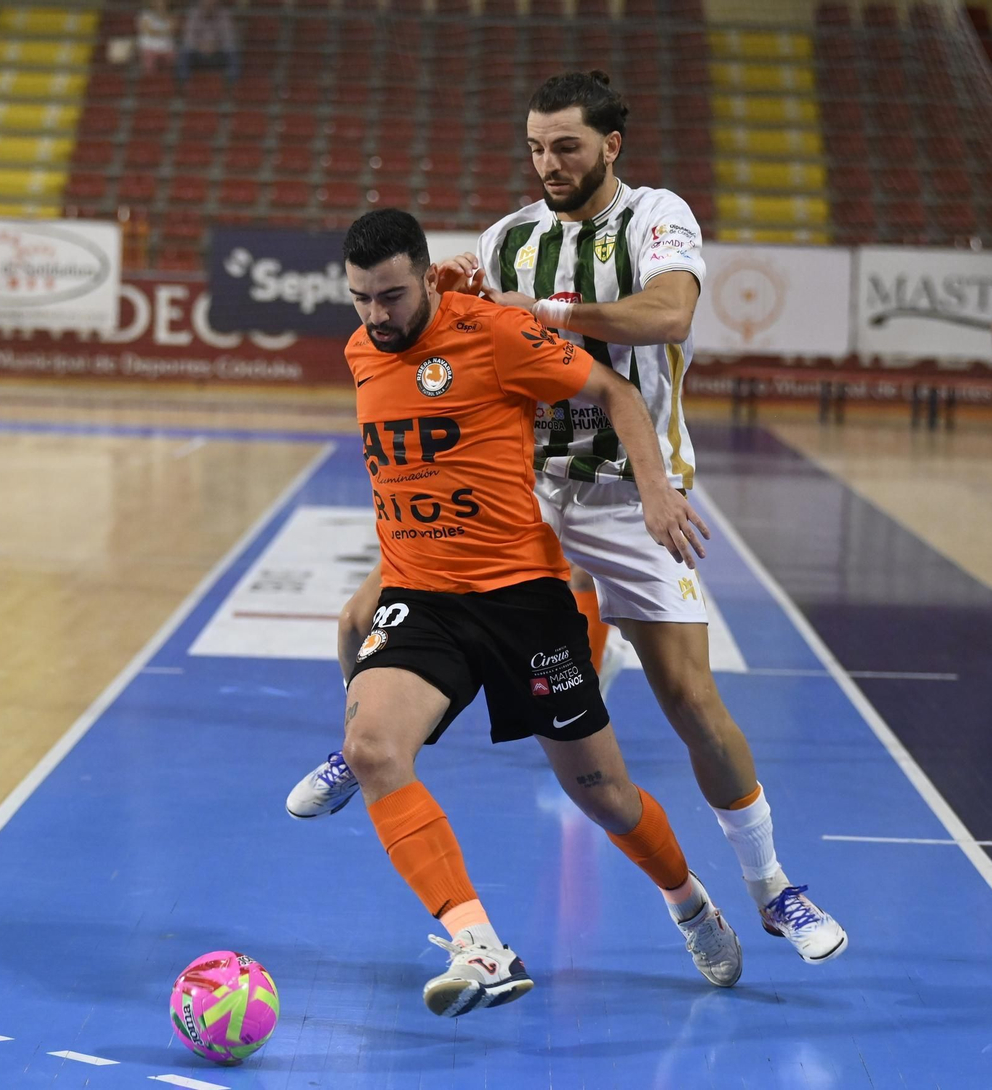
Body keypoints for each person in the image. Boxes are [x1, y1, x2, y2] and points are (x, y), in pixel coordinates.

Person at [288, 71, 848, 967]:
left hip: (631, 494)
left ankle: (773, 887)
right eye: (536, 148)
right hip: (524, 488)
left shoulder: (658, 218)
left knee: (693, 704)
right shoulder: (507, 237)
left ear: (611, 146)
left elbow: (667, 316)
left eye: (567, 148)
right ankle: (365, 752)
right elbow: (447, 312)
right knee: (361, 618)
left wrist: (550, 321)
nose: (548, 164)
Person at [337, 208, 742, 1016]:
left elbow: (616, 390)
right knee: (373, 746)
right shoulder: (359, 350)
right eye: (359, 299)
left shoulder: (494, 333)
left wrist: (657, 489)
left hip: (523, 601)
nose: (376, 317)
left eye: (390, 297)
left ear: (426, 275)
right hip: (425, 599)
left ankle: (689, 899)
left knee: (605, 798)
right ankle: (478, 946)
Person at [176, 0, 240, 89]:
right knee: (184, 51)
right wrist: (200, 46)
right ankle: (184, 86)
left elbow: (229, 38)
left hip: (218, 53)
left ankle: (230, 87)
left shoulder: (224, 14)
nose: (209, 3)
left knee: (232, 51)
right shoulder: (194, 14)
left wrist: (216, 45)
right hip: (198, 53)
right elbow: (188, 37)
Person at [136, 0, 175, 74]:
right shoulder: (145, 15)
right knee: (149, 65)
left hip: (166, 47)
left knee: (173, 60)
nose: (159, 3)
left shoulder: (170, 15)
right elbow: (149, 31)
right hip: (149, 47)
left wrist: (156, 31)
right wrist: (165, 31)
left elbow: (173, 28)